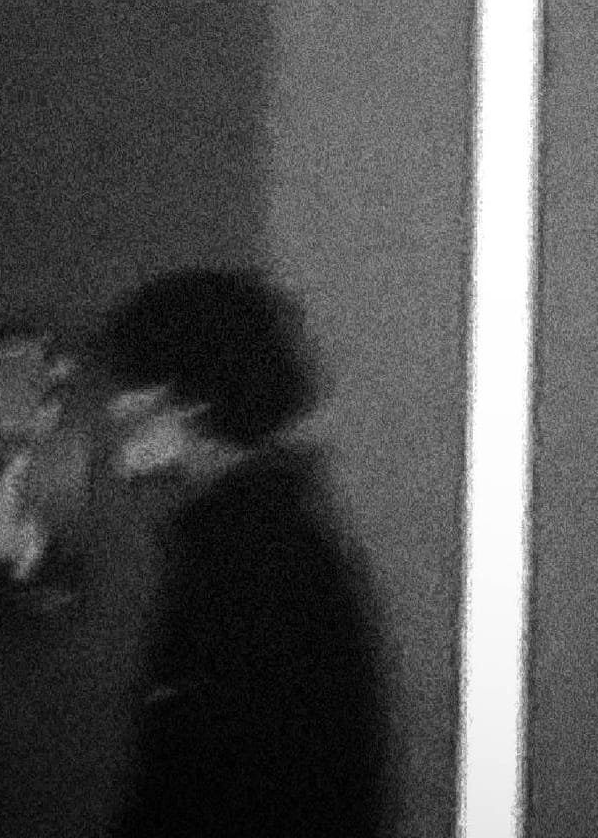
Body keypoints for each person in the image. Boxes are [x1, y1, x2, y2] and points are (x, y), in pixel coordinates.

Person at [97, 267, 394, 838]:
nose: (114, 408)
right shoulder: (266, 540)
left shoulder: (251, 559)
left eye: (132, 383)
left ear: (192, 399)